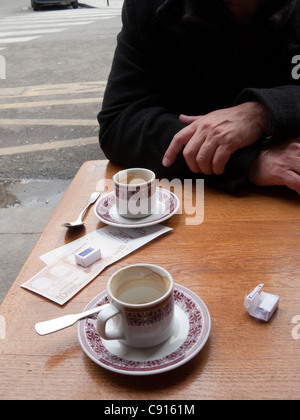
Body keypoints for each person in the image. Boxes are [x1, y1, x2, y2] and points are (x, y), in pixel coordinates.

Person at [98, 0, 300, 195]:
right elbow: (119, 123)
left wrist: (262, 112)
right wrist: (248, 160)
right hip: (196, 202)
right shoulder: (147, 7)